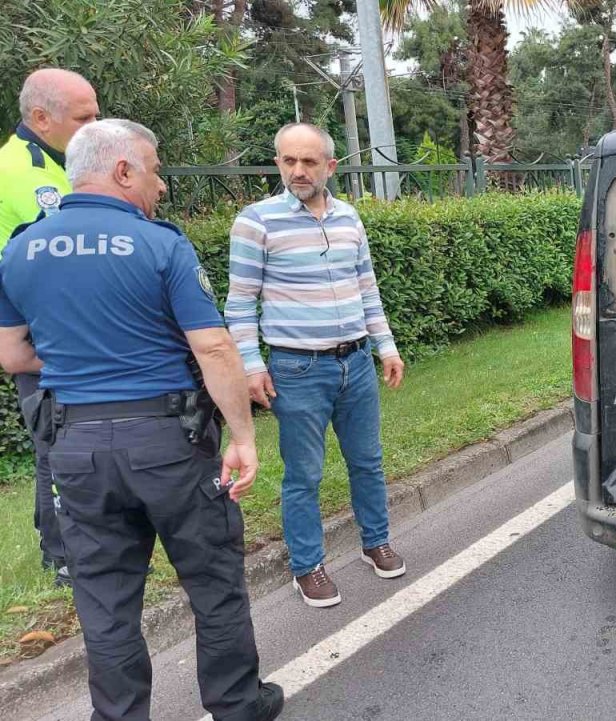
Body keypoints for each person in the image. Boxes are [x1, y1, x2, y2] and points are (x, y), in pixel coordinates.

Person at [0, 119, 283, 721]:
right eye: (155, 171)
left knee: (104, 602)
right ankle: (238, 705)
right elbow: (213, 347)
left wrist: (84, 357)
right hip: (168, 444)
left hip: (75, 447)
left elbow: (12, 355)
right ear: (123, 170)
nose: (161, 185)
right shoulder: (160, 244)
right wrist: (242, 436)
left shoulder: (21, 247)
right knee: (213, 581)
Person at [225, 122, 407, 609]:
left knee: (367, 461)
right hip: (297, 370)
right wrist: (251, 366)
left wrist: (386, 347)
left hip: (356, 364)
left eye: (308, 161)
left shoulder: (349, 218)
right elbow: (239, 304)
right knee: (303, 475)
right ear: (278, 163)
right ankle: (307, 566)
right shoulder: (257, 221)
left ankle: (376, 541)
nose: (298, 171)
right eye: (289, 161)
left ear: (330, 166)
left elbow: (366, 288)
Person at [0, 69, 99, 586]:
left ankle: (68, 543)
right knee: (54, 439)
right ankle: (64, 555)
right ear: (41, 118)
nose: (95, 125)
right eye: (84, 117)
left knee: (72, 438)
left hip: (79, 331)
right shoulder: (14, 170)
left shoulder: (67, 163)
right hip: (43, 335)